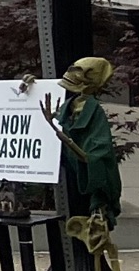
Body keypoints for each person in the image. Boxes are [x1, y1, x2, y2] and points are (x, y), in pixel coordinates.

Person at [52, 56, 123, 222]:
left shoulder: (95, 112)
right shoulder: (69, 105)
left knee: (92, 222)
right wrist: (30, 86)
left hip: (88, 178)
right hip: (69, 175)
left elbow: (99, 152)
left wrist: (77, 150)